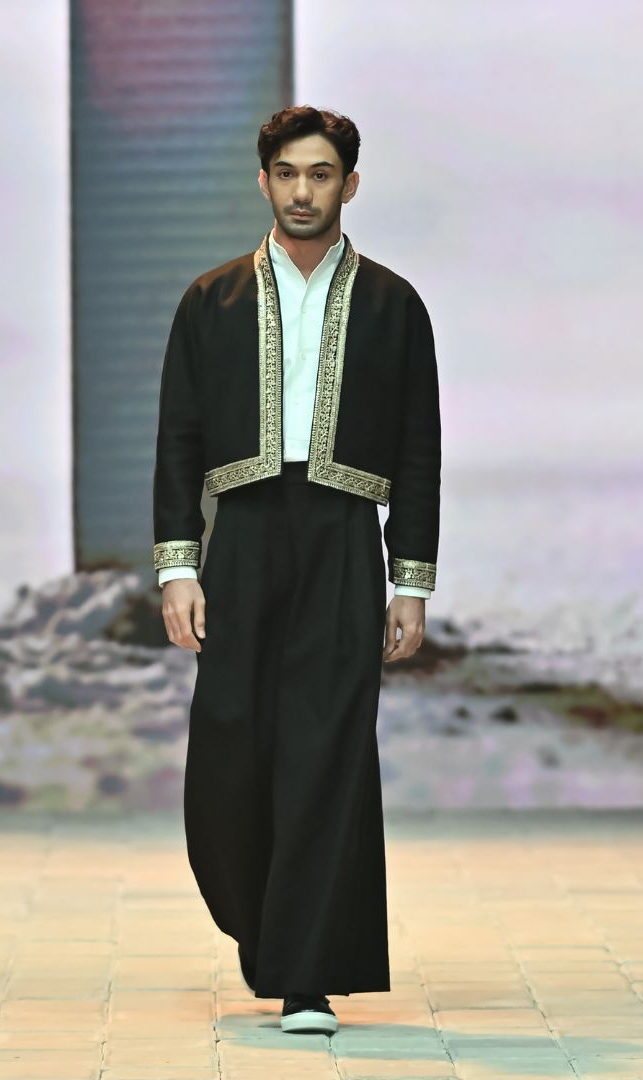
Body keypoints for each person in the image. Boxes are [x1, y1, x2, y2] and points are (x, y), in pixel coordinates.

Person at [152, 105, 441, 1035]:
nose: (303, 191)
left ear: (349, 184)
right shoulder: (211, 300)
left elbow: (419, 448)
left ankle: (306, 974)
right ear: (264, 181)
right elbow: (178, 440)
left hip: (343, 537)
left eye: (321, 174)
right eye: (287, 173)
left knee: (327, 751)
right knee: (229, 749)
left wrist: (410, 581)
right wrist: (178, 566)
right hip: (241, 536)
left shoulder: (394, 304)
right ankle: (266, 925)